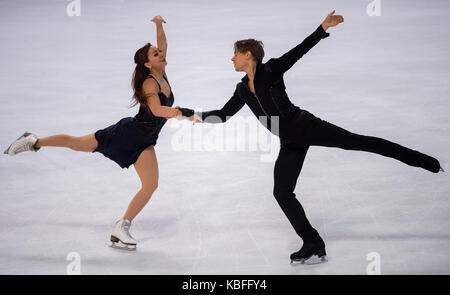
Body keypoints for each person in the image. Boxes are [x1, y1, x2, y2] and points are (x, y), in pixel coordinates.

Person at [184, 10, 444, 264]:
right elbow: (223, 114)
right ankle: (312, 243)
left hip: (305, 125)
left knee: (359, 142)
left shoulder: (272, 70)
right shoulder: (242, 90)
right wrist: (189, 115)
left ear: (248, 55)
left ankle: (423, 160)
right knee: (282, 193)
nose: (232, 59)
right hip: (289, 141)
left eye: (235, 54)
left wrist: (322, 29)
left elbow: (299, 50)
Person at [4, 15, 193, 250]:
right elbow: (156, 110)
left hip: (145, 141)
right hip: (126, 135)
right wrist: (180, 113)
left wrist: (158, 26)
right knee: (76, 143)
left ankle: (121, 226)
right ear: (147, 64)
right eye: (156, 54)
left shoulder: (161, 72)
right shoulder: (149, 83)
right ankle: (34, 141)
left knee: (151, 185)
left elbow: (163, 44)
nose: (161, 54)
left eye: (159, 52)